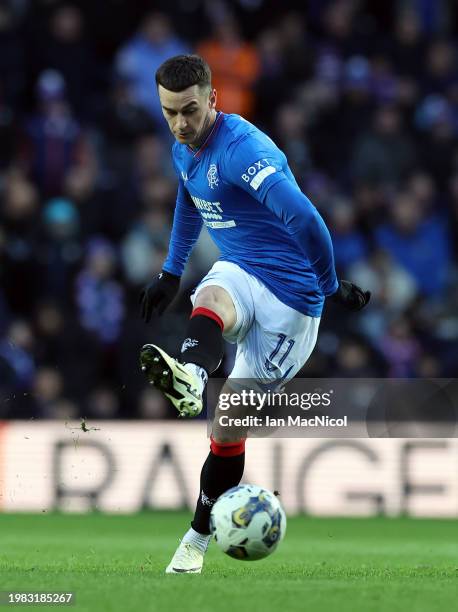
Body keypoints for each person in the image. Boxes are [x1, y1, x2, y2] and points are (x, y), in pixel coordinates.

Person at [139, 54, 370, 574]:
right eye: (169, 112)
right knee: (208, 297)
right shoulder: (185, 145)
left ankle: (195, 540)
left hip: (291, 304)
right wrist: (172, 272)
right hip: (243, 269)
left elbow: (304, 216)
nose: (180, 123)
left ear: (213, 100)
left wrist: (331, 286)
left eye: (190, 111)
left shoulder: (244, 151)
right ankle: (193, 375)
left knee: (226, 430)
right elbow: (188, 194)